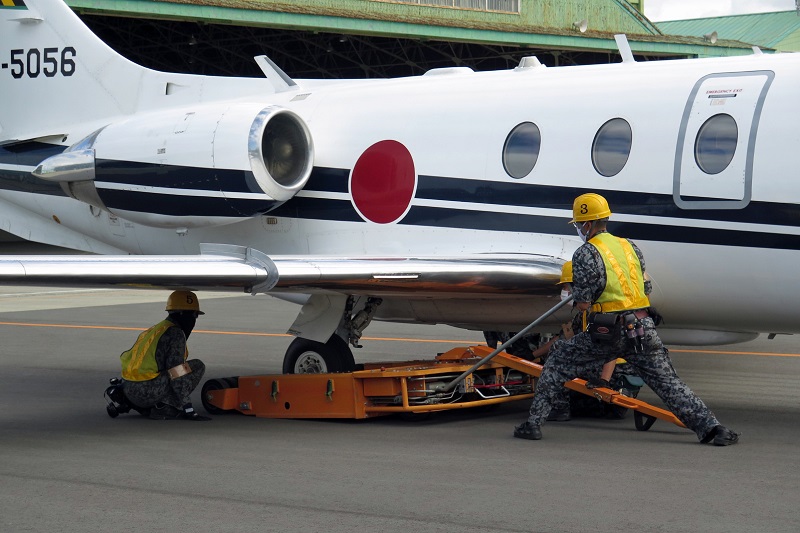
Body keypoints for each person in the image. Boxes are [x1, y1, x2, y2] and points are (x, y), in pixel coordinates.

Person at [514, 193, 738, 446]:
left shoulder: (586, 253)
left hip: (608, 332)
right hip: (643, 328)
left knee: (556, 363)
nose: (578, 228)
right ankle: (713, 429)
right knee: (668, 383)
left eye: (578, 224)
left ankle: (532, 425)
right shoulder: (630, 246)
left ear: (586, 224)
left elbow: (585, 303)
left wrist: (577, 298)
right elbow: (646, 287)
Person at [120, 290, 210, 421]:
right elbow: (177, 373)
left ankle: (153, 405)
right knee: (197, 366)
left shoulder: (157, 329)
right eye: (194, 316)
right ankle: (165, 407)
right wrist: (188, 407)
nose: (193, 321)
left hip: (128, 390)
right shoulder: (175, 333)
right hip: (146, 392)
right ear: (184, 315)